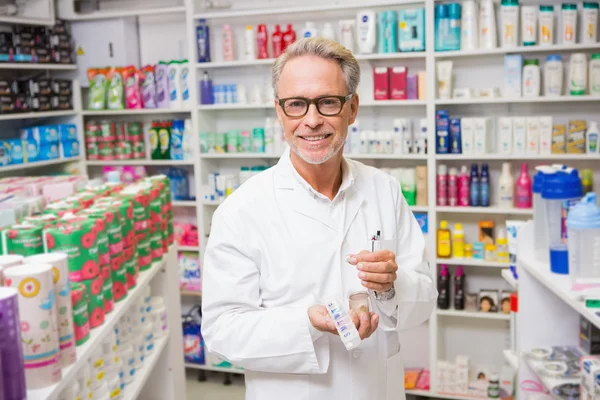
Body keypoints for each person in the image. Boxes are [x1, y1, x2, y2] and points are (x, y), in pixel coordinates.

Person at [201, 37, 437, 400]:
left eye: (327, 102)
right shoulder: (242, 210)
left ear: (352, 108)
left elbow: (425, 298)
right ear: (280, 111)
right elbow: (221, 331)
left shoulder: (385, 190)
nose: (312, 121)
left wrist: (392, 286)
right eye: (296, 104)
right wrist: (307, 322)